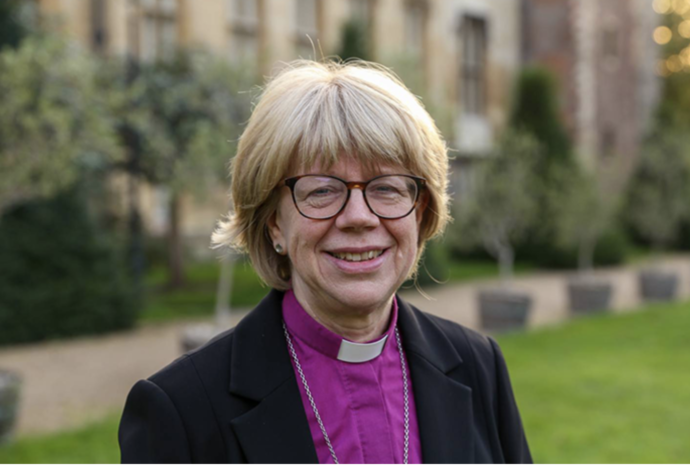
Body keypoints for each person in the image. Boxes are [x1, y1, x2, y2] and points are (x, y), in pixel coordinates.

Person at [118, 60, 532, 464]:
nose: (359, 217)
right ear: (274, 222)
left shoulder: (479, 366)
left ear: (420, 211)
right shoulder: (181, 411)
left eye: (386, 188)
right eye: (322, 191)